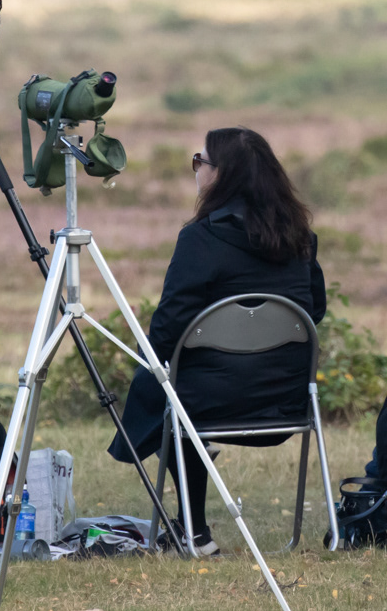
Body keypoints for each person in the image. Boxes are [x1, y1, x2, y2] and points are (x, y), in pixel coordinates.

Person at [108, 127, 327, 557]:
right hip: (288, 398)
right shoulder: (300, 235)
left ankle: (195, 531)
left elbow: (168, 328)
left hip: (209, 402)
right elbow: (313, 313)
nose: (195, 170)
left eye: (199, 161)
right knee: (166, 393)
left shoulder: (201, 238)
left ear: (220, 175)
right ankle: (191, 510)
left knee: (160, 388)